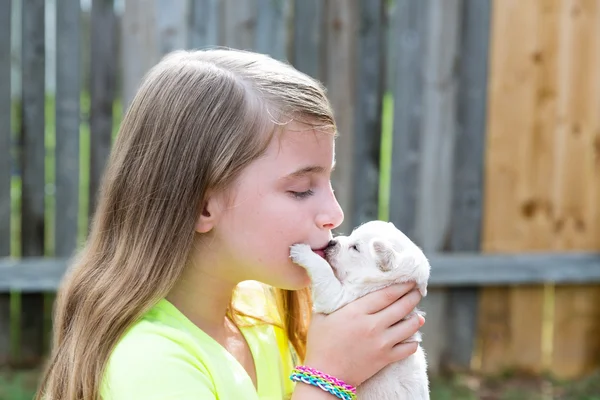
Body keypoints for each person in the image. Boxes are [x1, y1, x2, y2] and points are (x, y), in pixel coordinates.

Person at [35, 48, 425, 400]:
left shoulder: (263, 312)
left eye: (329, 181)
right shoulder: (151, 363)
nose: (335, 214)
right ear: (203, 206)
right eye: (303, 189)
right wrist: (326, 377)